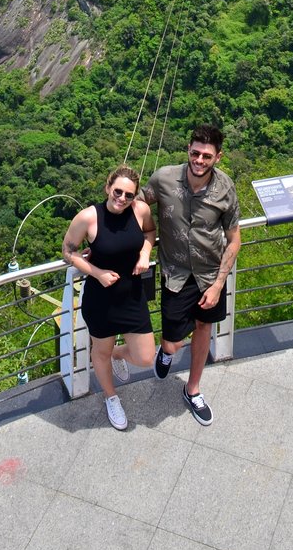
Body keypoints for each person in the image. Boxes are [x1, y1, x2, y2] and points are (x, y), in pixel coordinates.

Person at [143, 125, 241, 426]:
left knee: (203, 327)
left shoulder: (225, 189)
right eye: (195, 153)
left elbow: (234, 238)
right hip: (175, 273)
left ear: (218, 157)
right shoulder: (164, 178)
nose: (199, 160)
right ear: (188, 149)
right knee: (173, 341)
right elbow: (133, 206)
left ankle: (193, 388)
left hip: (210, 274)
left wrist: (219, 284)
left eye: (207, 156)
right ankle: (166, 350)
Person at [62, 165, 157, 431]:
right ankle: (111, 396)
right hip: (100, 298)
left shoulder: (140, 211)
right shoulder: (89, 217)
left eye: (129, 194)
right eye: (118, 191)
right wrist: (97, 272)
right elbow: (68, 252)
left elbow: (150, 232)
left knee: (146, 357)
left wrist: (145, 254)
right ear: (107, 188)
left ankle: (116, 355)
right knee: (99, 352)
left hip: (132, 295)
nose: (122, 199)